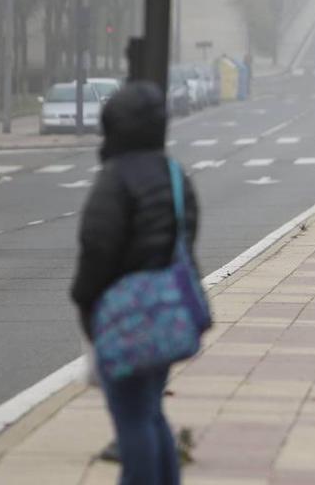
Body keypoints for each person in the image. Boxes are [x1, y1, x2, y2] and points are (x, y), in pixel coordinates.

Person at [70, 81, 199, 485]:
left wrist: (85, 301)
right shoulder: (174, 175)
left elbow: (97, 246)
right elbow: (186, 237)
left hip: (125, 316)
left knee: (132, 420)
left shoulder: (115, 178)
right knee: (149, 412)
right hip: (169, 313)